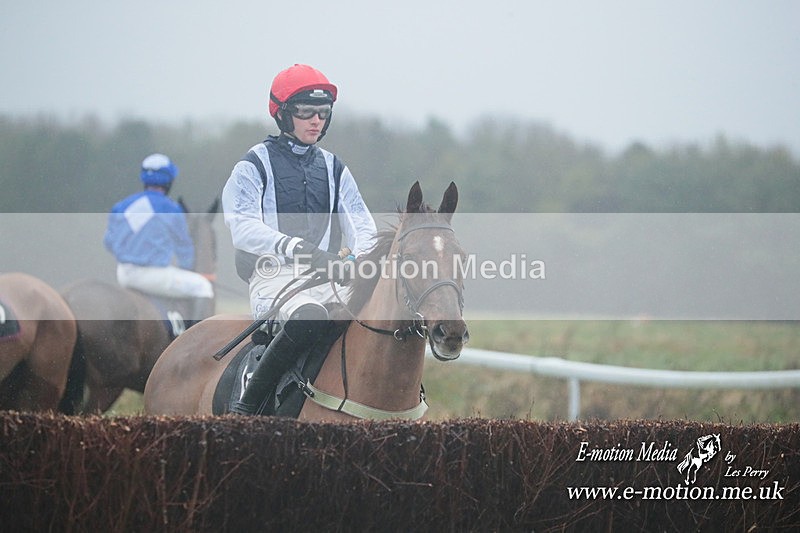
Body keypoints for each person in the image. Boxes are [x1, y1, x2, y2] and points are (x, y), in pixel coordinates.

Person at [221, 64, 377, 415]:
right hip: (273, 276)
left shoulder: (335, 167)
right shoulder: (252, 165)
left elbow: (362, 226)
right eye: (306, 112)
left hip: (326, 278)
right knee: (310, 315)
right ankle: (245, 410)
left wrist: (362, 259)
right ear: (283, 114)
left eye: (322, 113)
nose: (315, 121)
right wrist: (297, 248)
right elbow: (242, 226)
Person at [104, 153, 215, 321]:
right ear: (169, 182)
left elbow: (109, 242)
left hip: (123, 273)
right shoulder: (170, 208)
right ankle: (196, 339)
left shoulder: (123, 206)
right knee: (202, 286)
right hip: (152, 275)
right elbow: (184, 250)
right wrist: (187, 270)